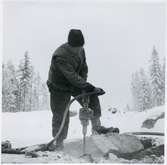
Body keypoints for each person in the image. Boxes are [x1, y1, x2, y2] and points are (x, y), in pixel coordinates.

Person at [47, 29, 118, 151]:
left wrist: (85, 89)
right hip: (59, 86)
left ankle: (97, 128)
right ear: (70, 45)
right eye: (76, 48)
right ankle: (59, 142)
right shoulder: (60, 56)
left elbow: (83, 68)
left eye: (81, 47)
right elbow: (72, 77)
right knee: (61, 114)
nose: (78, 50)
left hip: (74, 82)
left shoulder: (81, 50)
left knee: (92, 97)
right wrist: (87, 86)